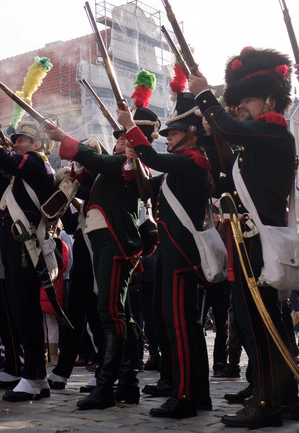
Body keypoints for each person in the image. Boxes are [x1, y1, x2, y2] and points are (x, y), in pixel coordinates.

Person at [192, 48, 299, 428]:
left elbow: (229, 128)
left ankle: (267, 403)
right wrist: (209, 140)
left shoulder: (273, 132)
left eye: (246, 100)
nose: (239, 107)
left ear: (269, 99)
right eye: (235, 102)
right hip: (247, 241)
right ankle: (283, 399)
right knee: (264, 322)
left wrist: (205, 96)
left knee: (258, 325)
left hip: (256, 242)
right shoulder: (258, 141)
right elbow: (225, 183)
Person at [119, 76, 211, 419]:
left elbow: (154, 161)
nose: (167, 138)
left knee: (181, 327)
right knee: (183, 326)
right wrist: (132, 156)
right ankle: (197, 393)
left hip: (181, 253)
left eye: (173, 133)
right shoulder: (179, 167)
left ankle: (185, 396)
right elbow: (146, 188)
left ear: (190, 134)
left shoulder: (193, 162)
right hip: (174, 252)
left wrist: (132, 129)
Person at [46, 106, 148, 409]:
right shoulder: (112, 168)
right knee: (117, 313)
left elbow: (97, 160)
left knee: (110, 313)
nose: (119, 141)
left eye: (125, 139)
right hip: (102, 242)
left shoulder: (129, 165)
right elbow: (88, 167)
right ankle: (126, 382)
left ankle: (107, 384)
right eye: (118, 139)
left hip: (115, 243)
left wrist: (65, 138)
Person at [0, 115, 57, 403]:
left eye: (22, 140)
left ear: (37, 143)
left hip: (25, 245)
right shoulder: (21, 174)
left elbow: (1, 154)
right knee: (16, 309)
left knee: (26, 310)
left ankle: (34, 376)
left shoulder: (36, 162)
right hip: (12, 243)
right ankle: (36, 376)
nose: (17, 144)